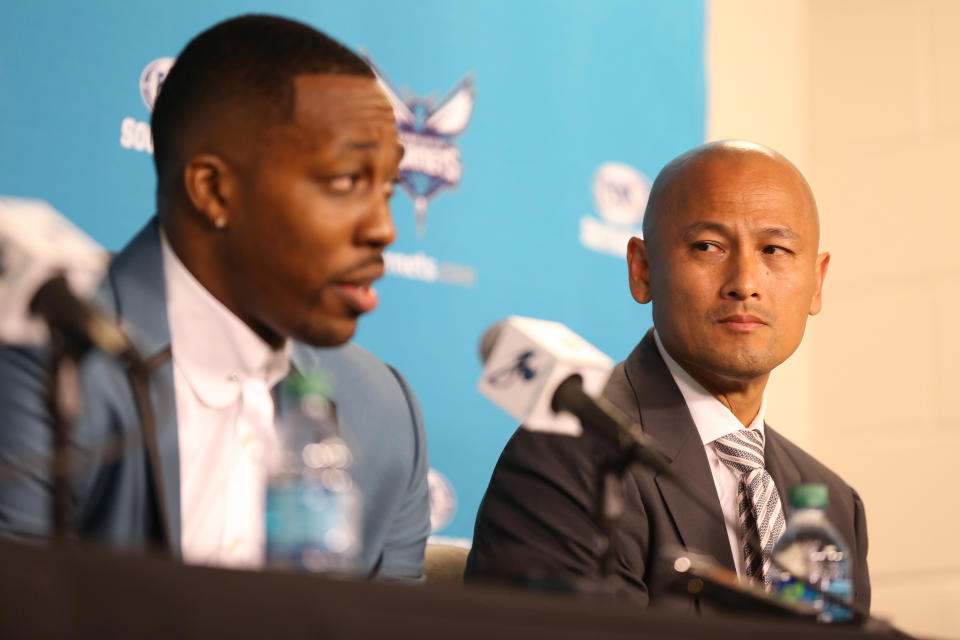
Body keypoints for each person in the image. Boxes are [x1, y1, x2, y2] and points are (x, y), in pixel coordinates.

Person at [0, 15, 429, 580]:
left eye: (389, 187)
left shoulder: (385, 412)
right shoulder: (46, 354)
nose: (383, 229)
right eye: (346, 180)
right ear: (214, 190)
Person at [465, 141, 870, 612]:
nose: (745, 282)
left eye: (775, 250)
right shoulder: (572, 461)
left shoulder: (836, 505)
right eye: (708, 247)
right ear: (642, 270)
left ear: (816, 283)